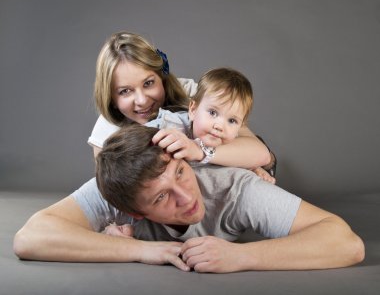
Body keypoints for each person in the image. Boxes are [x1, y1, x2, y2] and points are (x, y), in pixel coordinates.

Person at [13, 125, 364, 273]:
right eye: (163, 196)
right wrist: (144, 251)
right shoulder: (117, 189)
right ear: (133, 210)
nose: (186, 198)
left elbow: (346, 243)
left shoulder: (235, 189)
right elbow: (31, 237)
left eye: (181, 172)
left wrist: (241, 256)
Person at [88, 31, 275, 175]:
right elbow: (109, 195)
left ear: (162, 76)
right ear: (110, 97)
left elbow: (262, 154)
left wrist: (201, 152)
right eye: (125, 91)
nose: (142, 100)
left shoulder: (191, 93)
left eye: (148, 83)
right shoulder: (106, 133)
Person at [145, 67, 275, 182]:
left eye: (232, 121)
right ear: (193, 110)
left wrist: (254, 167)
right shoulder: (174, 125)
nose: (219, 126)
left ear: (240, 126)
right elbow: (146, 136)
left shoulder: (231, 142)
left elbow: (254, 156)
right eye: (213, 112)